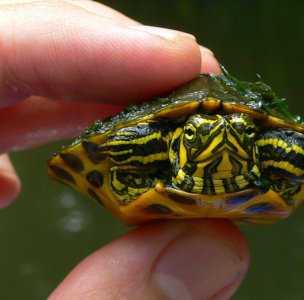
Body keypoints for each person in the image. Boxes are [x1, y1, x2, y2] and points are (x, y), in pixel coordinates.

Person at [0, 1, 249, 299]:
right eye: (194, 133)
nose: (221, 138)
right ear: (179, 141)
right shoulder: (158, 142)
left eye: (244, 133)